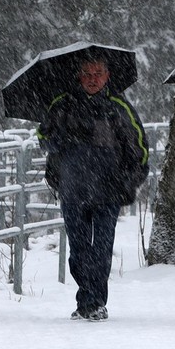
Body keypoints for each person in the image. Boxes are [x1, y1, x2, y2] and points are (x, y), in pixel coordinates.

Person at [39, 56, 149, 322]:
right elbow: (43, 137)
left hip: (107, 192)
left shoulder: (119, 107)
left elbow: (140, 151)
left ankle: (95, 302)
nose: (92, 79)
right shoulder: (62, 104)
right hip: (72, 189)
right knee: (78, 250)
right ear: (79, 75)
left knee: (100, 249)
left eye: (98, 73)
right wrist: (62, 138)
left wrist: (127, 182)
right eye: (87, 73)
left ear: (107, 75)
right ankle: (86, 297)